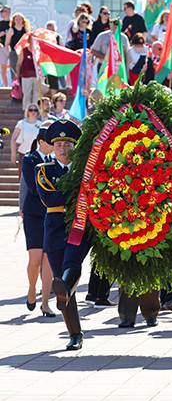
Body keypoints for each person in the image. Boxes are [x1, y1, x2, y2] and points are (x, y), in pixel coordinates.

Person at [37, 120, 89, 350]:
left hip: (79, 226)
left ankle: (66, 290)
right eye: (58, 145)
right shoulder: (43, 170)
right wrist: (78, 193)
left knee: (72, 264)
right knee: (61, 282)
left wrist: (70, 194)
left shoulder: (84, 170)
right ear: (52, 147)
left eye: (67, 144)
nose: (63, 149)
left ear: (74, 146)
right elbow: (49, 199)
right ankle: (75, 334)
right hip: (55, 229)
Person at [21, 126, 55, 317]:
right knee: (35, 259)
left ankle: (45, 303)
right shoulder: (29, 159)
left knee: (48, 259)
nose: (55, 145)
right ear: (41, 142)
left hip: (51, 213)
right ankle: (32, 289)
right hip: (33, 215)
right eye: (51, 142)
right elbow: (33, 188)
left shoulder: (56, 160)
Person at [11, 103, 43, 177]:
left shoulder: (41, 124)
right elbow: (13, 139)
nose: (33, 112)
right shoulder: (21, 123)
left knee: (36, 175)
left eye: (35, 110)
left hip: (36, 153)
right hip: (23, 153)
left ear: (38, 112)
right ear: (27, 112)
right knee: (23, 176)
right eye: (31, 110)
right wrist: (13, 154)